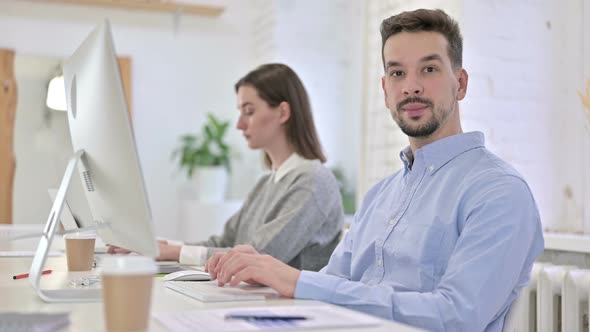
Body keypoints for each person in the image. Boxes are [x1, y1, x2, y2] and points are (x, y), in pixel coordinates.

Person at [205, 9, 544, 332]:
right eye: (398, 73)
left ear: (461, 83)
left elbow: (454, 317)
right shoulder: (380, 195)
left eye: (428, 69)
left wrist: (296, 282)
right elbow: (334, 283)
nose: (411, 86)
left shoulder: (499, 192)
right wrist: (267, 275)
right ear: (385, 91)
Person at [109, 63, 344, 271]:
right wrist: (154, 245)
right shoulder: (266, 184)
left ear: (283, 112)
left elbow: (259, 256)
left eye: (249, 112)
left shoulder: (313, 181)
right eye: (240, 112)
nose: (240, 124)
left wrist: (174, 252)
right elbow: (222, 245)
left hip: (290, 310)